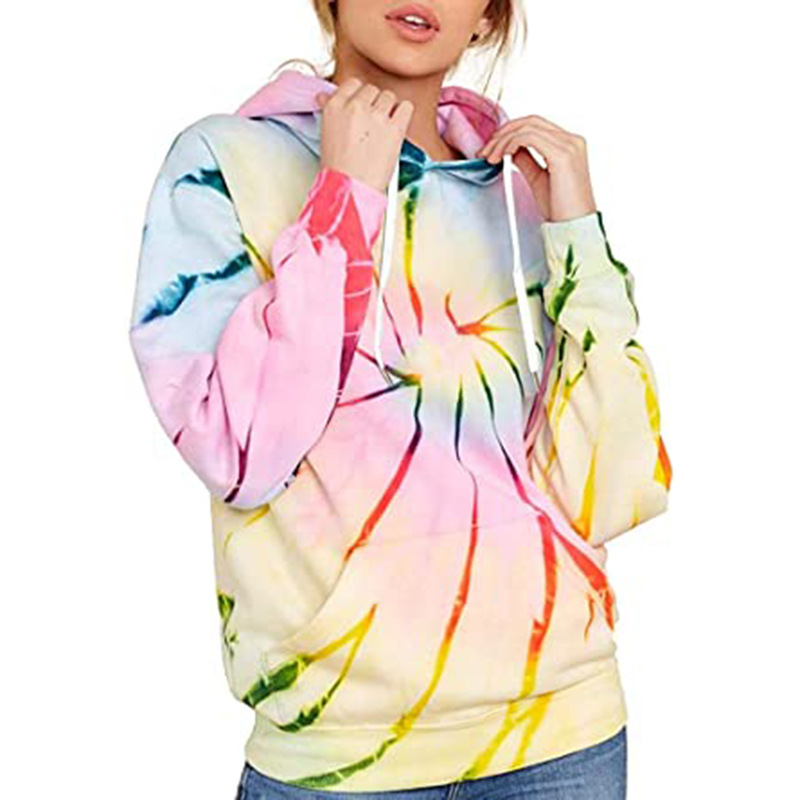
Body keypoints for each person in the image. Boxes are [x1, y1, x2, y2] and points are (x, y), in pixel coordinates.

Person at [128, 1, 672, 797]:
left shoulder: (518, 187)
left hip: (561, 736)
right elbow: (238, 452)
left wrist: (578, 235)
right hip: (337, 750)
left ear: (486, 17)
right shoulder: (226, 163)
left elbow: (615, 486)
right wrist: (345, 197)